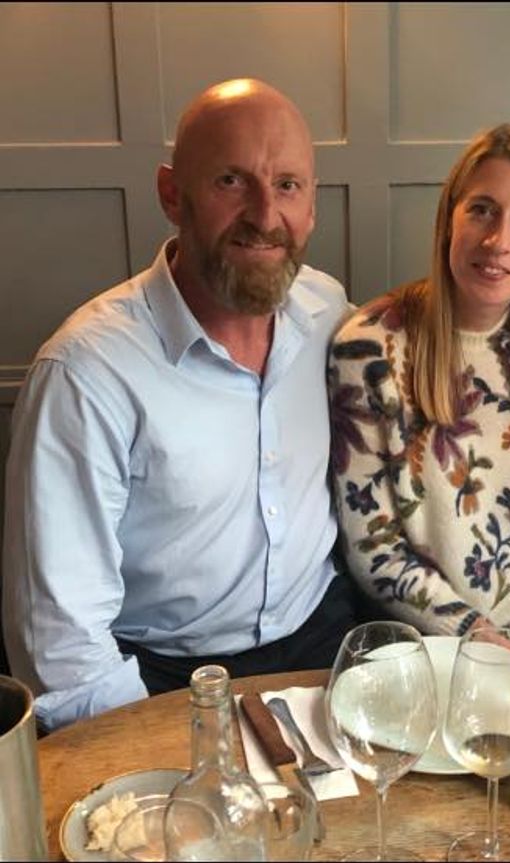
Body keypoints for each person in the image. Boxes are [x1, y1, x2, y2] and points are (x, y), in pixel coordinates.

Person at [2, 78, 357, 732]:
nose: (264, 214)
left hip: (328, 637)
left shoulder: (329, 311)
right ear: (172, 194)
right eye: (231, 181)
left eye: (287, 185)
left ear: (311, 205)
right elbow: (60, 639)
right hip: (166, 676)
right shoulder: (86, 373)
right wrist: (154, 749)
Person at [328, 123, 510, 637]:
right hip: (429, 642)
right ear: (449, 217)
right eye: (481, 210)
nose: (498, 241)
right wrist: (475, 635)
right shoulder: (370, 348)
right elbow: (373, 546)